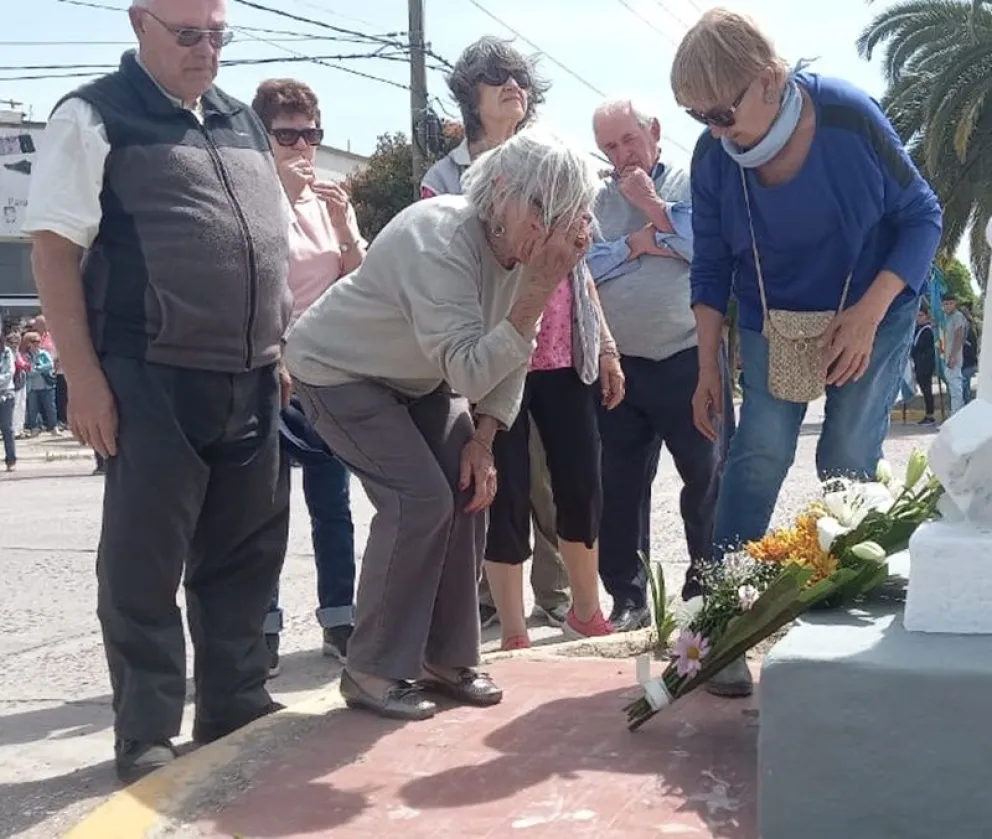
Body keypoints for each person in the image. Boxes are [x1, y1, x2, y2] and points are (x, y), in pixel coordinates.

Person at [23, 0, 293, 782]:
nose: (206, 50)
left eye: (217, 34)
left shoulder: (241, 120)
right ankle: (145, 729)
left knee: (246, 552)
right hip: (150, 375)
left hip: (251, 374)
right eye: (189, 35)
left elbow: (267, 241)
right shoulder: (95, 116)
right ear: (140, 24)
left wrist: (277, 345)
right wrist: (84, 380)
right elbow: (52, 254)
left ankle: (233, 702)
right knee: (144, 563)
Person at [672, 8, 942, 697]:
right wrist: (707, 365)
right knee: (758, 451)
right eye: (697, 114)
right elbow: (710, 264)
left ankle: (850, 610)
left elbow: (923, 215)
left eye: (722, 112)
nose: (713, 129)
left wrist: (869, 313)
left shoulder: (849, 119)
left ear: (770, 80)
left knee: (846, 455)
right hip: (774, 312)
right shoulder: (714, 158)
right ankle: (722, 620)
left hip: (871, 304)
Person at [284, 128, 598, 721]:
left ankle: (446, 657)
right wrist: (536, 291)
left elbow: (513, 354)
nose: (551, 229)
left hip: (420, 378)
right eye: (543, 210)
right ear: (501, 192)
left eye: (565, 214)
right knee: (419, 498)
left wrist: (483, 440)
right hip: (338, 370)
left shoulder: (519, 252)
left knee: (469, 489)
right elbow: (475, 368)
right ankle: (371, 668)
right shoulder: (439, 237)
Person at [420, 36, 571, 630]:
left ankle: (555, 599)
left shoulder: (551, 161)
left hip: (555, 347)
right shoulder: (442, 177)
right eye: (495, 76)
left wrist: (604, 344)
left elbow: (578, 268)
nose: (513, 85)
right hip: (481, 350)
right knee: (491, 479)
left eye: (520, 77)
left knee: (555, 483)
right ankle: (489, 601)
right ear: (468, 94)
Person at [587, 97, 733, 631]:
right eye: (608, 146)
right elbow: (584, 268)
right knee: (620, 486)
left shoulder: (692, 184)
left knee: (707, 476)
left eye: (628, 140)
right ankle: (628, 597)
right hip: (619, 365)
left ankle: (708, 586)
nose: (621, 155)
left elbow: (709, 249)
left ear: (654, 131)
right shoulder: (596, 199)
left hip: (690, 359)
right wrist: (640, 244)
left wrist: (654, 208)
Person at [251, 78, 364, 676]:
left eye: (310, 133)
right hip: (269, 367)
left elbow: (359, 281)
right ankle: (264, 628)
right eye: (287, 134)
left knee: (333, 503)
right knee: (268, 507)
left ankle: (339, 619)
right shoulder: (250, 195)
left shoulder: (328, 197)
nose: (302, 146)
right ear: (262, 137)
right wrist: (277, 199)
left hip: (326, 368)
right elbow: (252, 271)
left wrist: (344, 222)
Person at [21, 330, 58, 435]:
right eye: (34, 341)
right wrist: (40, 369)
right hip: (32, 387)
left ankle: (53, 427)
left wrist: (37, 368)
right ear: (28, 343)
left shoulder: (44, 353)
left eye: (38, 341)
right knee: (33, 409)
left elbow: (50, 365)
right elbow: (28, 372)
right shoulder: (25, 356)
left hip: (46, 386)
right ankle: (35, 428)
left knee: (50, 407)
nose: (37, 343)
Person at [941, 293, 967, 415]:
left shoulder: (957, 316)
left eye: (950, 303)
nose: (947, 306)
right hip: (948, 358)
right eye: (945, 304)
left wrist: (952, 356)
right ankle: (955, 415)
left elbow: (959, 337)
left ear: (955, 303)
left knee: (956, 390)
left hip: (954, 359)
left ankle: (957, 416)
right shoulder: (948, 318)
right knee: (953, 389)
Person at [910, 306, 936, 425]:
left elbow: (921, 347)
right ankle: (928, 414)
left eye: (921, 316)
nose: (918, 318)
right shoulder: (918, 329)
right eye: (917, 316)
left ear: (926, 316)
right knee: (924, 389)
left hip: (925, 364)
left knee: (927, 390)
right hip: (919, 363)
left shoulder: (927, 330)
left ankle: (930, 415)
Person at [0, 334, 15, 471]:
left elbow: (10, 372)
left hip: (6, 393)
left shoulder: (7, 352)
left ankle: (11, 460)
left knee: (7, 428)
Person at [960, 303, 978, 405]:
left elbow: (972, 347)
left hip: (968, 363)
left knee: (965, 387)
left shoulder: (970, 329)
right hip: (963, 362)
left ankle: (966, 407)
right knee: (963, 387)